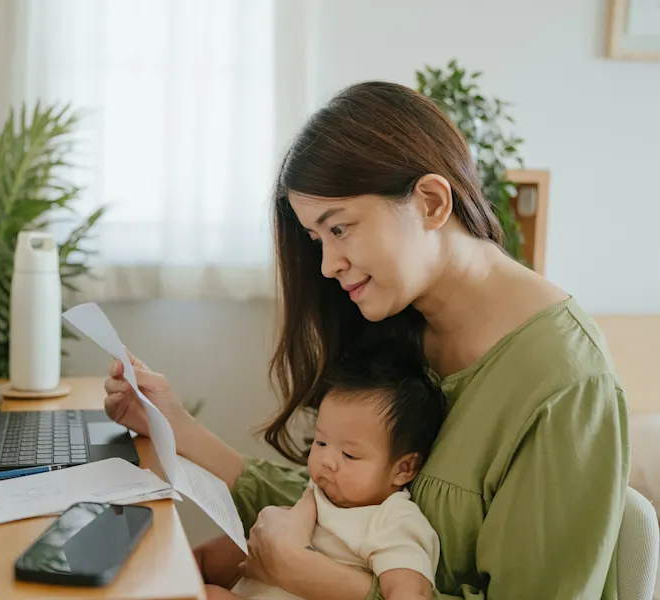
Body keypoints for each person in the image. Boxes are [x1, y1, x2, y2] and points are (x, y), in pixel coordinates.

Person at [103, 81, 629, 599]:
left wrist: (306, 575)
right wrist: (177, 428)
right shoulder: (405, 326)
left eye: (339, 229)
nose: (329, 266)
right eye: (316, 240)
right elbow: (353, 508)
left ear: (429, 202)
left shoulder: (564, 384)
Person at [208, 338, 446, 600]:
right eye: (321, 442)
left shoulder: (393, 521)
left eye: (349, 454)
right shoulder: (321, 493)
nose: (326, 460)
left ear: (404, 468)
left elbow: (409, 592)